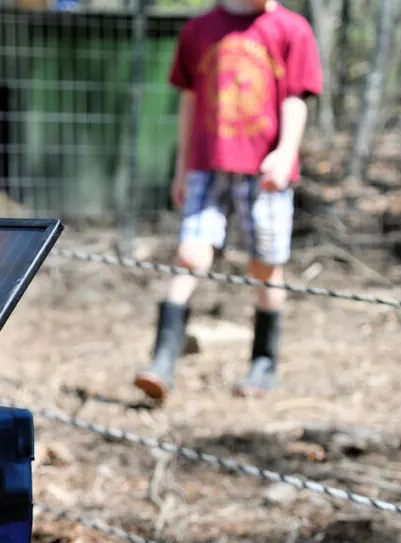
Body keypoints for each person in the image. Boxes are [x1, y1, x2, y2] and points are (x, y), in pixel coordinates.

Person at [133, 0, 323, 403]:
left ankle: (264, 363)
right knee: (190, 255)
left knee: (265, 265)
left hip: (265, 172)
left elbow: (295, 97)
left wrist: (286, 150)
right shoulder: (199, 29)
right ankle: (162, 361)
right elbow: (188, 101)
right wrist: (182, 166)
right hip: (207, 166)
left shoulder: (292, 29)